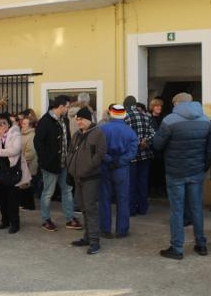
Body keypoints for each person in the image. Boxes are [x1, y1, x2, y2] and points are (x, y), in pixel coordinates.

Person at [153, 93, 211, 260]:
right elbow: (210, 149)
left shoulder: (169, 120)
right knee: (196, 208)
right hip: (196, 172)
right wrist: (203, 167)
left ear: (177, 103)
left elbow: (158, 144)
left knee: (177, 210)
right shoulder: (206, 120)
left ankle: (177, 248)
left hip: (175, 173)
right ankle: (201, 244)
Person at [34, 95, 82, 232]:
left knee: (67, 190)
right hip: (50, 165)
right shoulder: (45, 121)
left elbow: (67, 140)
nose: (68, 110)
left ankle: (70, 218)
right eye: (67, 107)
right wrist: (45, 160)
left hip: (64, 163)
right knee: (48, 192)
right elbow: (38, 143)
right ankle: (45, 219)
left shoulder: (64, 119)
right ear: (61, 107)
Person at [66, 107, 107, 254]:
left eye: (81, 119)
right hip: (78, 176)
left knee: (90, 209)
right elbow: (70, 151)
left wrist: (88, 167)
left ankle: (95, 241)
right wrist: (71, 167)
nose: (79, 122)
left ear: (89, 119)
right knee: (83, 208)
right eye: (77, 119)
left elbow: (100, 154)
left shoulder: (98, 133)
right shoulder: (77, 135)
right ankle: (87, 237)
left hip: (91, 177)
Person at [99, 104, 139, 238]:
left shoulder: (102, 129)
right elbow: (132, 151)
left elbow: (99, 149)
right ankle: (122, 230)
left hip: (105, 166)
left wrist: (109, 159)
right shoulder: (130, 131)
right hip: (122, 168)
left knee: (105, 198)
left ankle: (105, 229)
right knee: (123, 198)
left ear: (110, 114)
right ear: (124, 115)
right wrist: (120, 161)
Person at [0, 113, 31, 234]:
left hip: (12, 169)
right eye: (0, 123)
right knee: (2, 198)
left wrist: (0, 152)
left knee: (13, 199)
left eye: (4, 123)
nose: (2, 125)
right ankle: (5, 220)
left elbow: (15, 150)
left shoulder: (15, 133)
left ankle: (15, 223)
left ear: (9, 123)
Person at [123, 95, 156, 216]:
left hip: (131, 156)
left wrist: (136, 142)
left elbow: (125, 135)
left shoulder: (125, 116)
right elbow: (154, 133)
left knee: (130, 183)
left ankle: (131, 209)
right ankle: (143, 208)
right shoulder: (146, 116)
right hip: (145, 155)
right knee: (142, 182)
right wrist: (145, 141)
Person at [19, 114, 38, 210]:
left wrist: (23, 162)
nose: (23, 125)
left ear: (30, 125)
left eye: (25, 123)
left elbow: (31, 152)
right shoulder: (23, 133)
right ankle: (24, 204)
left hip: (28, 164)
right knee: (24, 184)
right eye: (23, 123)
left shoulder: (31, 135)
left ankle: (29, 205)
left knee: (27, 185)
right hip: (23, 163)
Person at [148, 98, 166, 197]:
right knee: (153, 170)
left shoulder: (164, 118)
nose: (159, 107)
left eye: (160, 106)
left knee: (161, 170)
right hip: (152, 149)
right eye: (157, 106)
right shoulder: (149, 119)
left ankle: (161, 189)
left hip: (162, 149)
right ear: (152, 107)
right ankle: (153, 189)